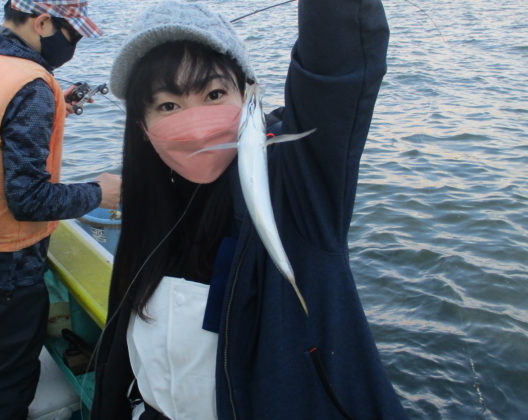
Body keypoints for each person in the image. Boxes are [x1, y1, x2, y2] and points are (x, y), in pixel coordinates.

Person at [92, 0, 407, 419]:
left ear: (245, 94)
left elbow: (337, 66)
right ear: (142, 127)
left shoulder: (296, 186)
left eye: (214, 94)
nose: (197, 124)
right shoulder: (151, 211)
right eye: (168, 105)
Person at [0, 1, 121, 419]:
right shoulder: (29, 85)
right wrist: (99, 192)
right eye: (72, 35)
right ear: (43, 22)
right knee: (7, 376)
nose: (73, 45)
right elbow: (29, 199)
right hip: (4, 257)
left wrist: (51, 105)